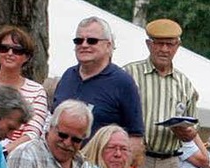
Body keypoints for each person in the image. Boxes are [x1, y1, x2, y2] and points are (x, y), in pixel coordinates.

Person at [122, 18, 200, 168]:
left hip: (170, 162)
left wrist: (189, 133)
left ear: (177, 46)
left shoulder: (185, 84)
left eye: (170, 44)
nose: (164, 49)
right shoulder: (129, 74)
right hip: (137, 160)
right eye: (159, 43)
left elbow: (194, 125)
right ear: (149, 44)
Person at [52, 16, 144, 155]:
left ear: (108, 45)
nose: (84, 45)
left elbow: (135, 137)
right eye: (78, 40)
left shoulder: (123, 82)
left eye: (92, 41)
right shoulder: (68, 76)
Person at [0, 25, 48, 153]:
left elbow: (32, 134)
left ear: (27, 57)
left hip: (14, 155)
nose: (10, 53)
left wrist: (2, 153)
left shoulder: (37, 92)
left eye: (17, 50)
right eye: (4, 48)